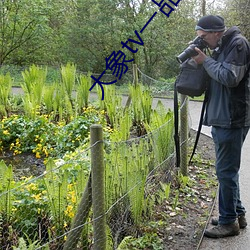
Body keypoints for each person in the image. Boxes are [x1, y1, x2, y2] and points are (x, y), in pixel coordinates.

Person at [192, 15, 250, 238]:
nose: (203, 41)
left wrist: (205, 61)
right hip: (222, 117)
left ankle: (228, 223)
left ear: (216, 32)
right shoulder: (221, 46)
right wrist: (202, 60)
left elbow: (229, 77)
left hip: (232, 118)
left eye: (204, 37)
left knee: (225, 171)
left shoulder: (238, 44)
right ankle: (237, 214)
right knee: (227, 171)